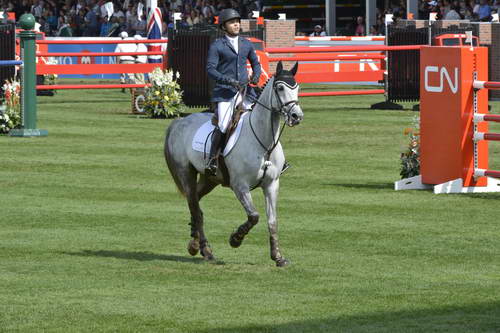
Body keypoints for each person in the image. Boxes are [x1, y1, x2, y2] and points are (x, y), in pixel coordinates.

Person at [205, 8, 261, 176]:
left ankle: (273, 157)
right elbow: (210, 69)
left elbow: (255, 63)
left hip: (245, 90)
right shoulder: (217, 45)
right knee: (223, 124)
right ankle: (213, 159)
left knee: (261, 118)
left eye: (237, 21)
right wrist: (227, 80)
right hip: (226, 92)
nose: (236, 24)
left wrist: (256, 75)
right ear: (224, 26)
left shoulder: (246, 43)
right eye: (232, 22)